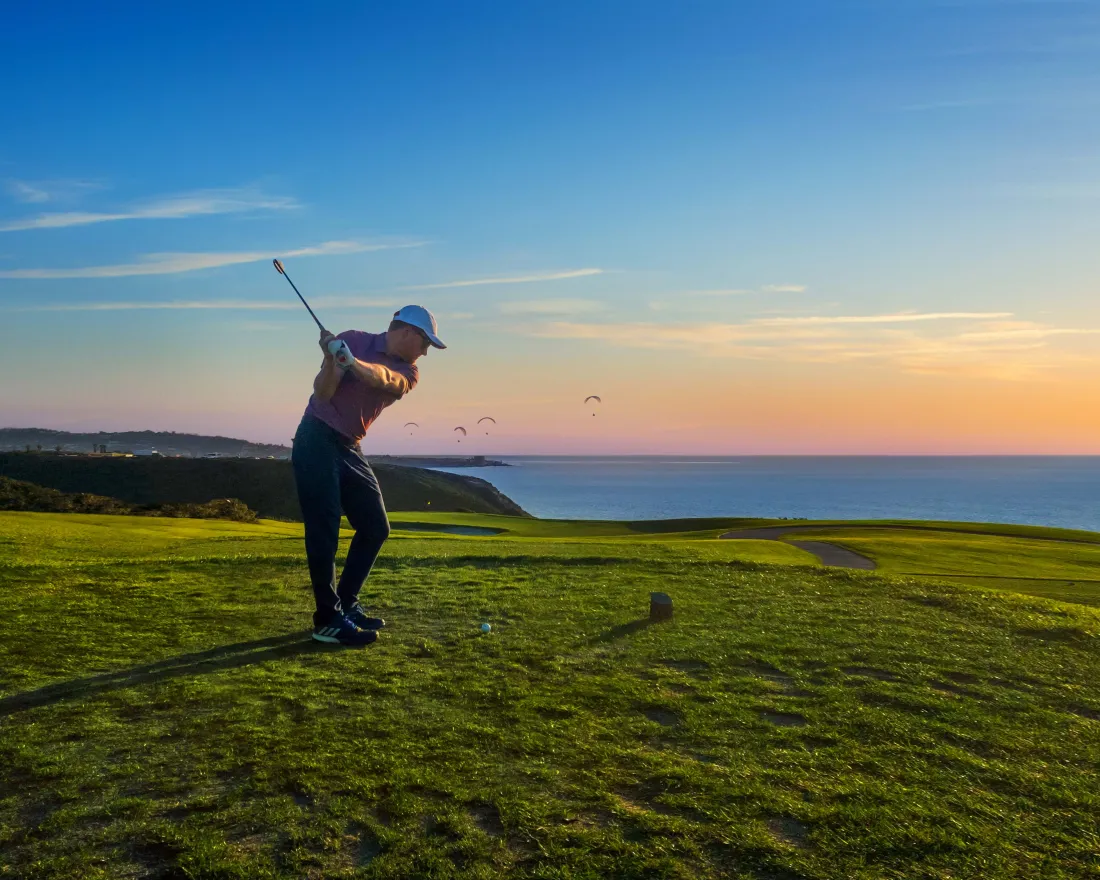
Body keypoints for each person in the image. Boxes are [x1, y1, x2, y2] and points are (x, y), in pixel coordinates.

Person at [292, 305, 446, 646]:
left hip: (349, 445)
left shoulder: (409, 371)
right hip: (316, 437)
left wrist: (352, 363)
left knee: (376, 526)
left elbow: (384, 379)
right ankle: (328, 620)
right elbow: (323, 393)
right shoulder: (352, 340)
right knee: (324, 529)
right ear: (407, 332)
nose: (425, 352)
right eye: (424, 343)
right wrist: (333, 360)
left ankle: (346, 604)